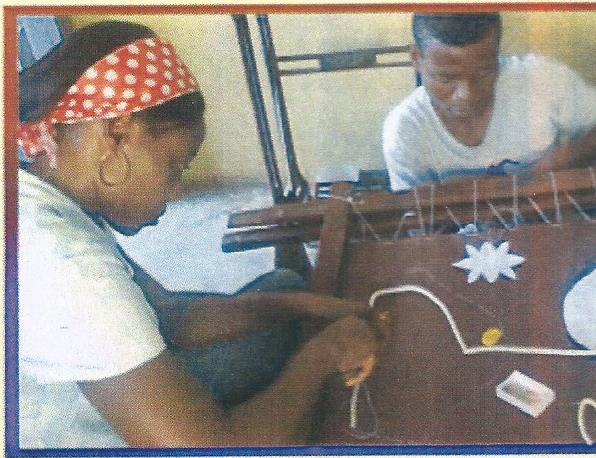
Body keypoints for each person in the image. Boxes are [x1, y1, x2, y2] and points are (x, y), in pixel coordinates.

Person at [17, 21, 386, 448]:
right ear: (116, 133)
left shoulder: (44, 187)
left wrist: (299, 305)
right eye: (175, 168)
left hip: (116, 394)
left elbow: (172, 317)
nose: (176, 192)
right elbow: (210, 449)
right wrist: (325, 354)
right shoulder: (69, 266)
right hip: (80, 438)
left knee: (284, 286)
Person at [383, 13, 596, 191]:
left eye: (483, 74)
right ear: (416, 58)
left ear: (497, 52)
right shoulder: (404, 130)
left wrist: (549, 168)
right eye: (446, 78)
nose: (466, 95)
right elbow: (415, 218)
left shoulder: (539, 78)